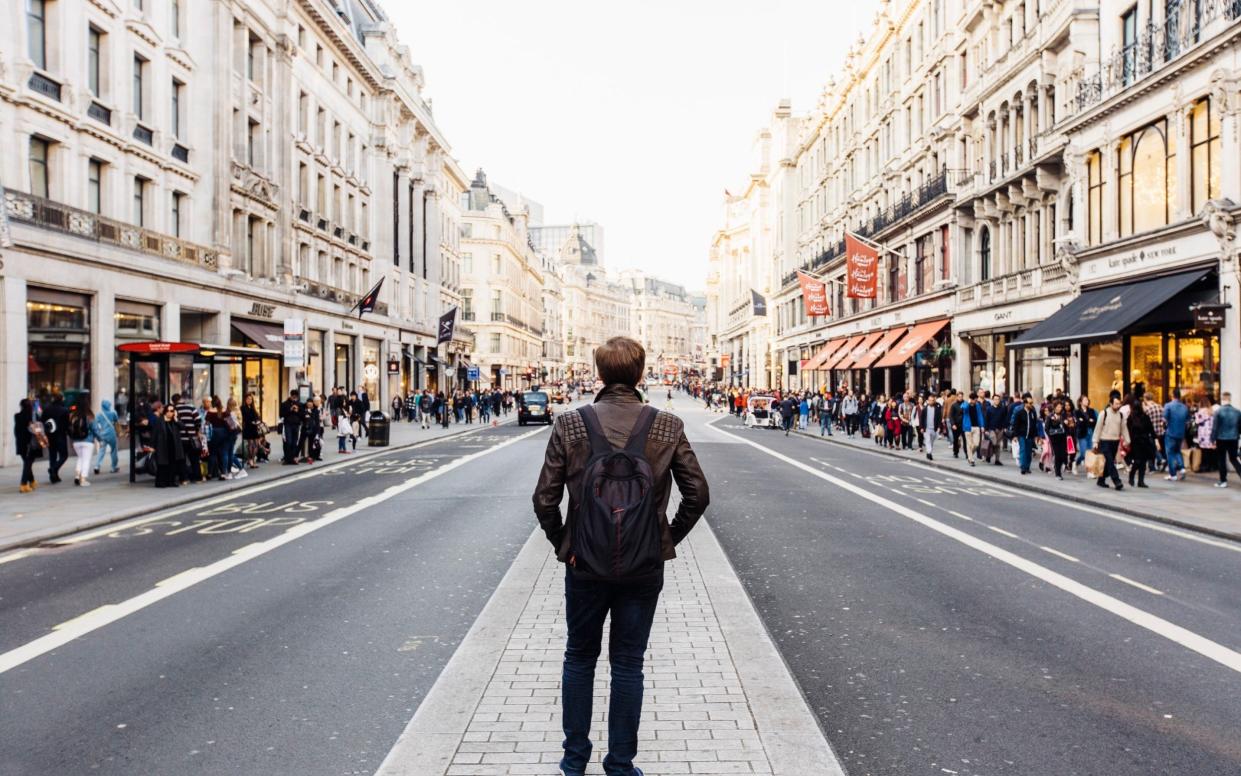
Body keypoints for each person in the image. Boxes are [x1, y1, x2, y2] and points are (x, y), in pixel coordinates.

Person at [532, 336, 709, 776]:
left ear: (599, 374)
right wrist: (664, 537)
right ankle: (620, 764)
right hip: (643, 566)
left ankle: (574, 761)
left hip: (585, 565)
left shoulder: (570, 425)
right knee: (628, 663)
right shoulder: (667, 426)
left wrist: (565, 544)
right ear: (640, 374)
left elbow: (543, 499)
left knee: (579, 657)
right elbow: (698, 494)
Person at [1093, 393, 1129, 490]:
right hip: (1104, 441)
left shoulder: (1121, 415)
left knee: (1108, 463)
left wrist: (1127, 440)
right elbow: (1098, 428)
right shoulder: (1103, 413)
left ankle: (1101, 480)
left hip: (1115, 442)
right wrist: (1095, 442)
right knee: (1110, 462)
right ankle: (1117, 481)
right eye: (1116, 404)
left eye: (1119, 404)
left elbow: (1124, 428)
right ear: (1110, 403)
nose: (1118, 406)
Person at [15, 399, 47, 493]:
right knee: (28, 464)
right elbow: (38, 429)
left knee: (27, 463)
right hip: (31, 444)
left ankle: (32, 481)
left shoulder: (17, 416)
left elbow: (16, 431)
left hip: (21, 443)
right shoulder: (33, 417)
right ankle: (23, 484)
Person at [152, 402, 186, 488]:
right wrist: (152, 446)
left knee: (173, 464)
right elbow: (154, 434)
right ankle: (161, 482)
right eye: (169, 411)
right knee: (162, 465)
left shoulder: (175, 421)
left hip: (173, 445)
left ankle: (171, 481)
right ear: (165, 411)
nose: (170, 412)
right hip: (162, 446)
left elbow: (183, 427)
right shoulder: (159, 420)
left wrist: (176, 419)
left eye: (172, 411)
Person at [1211, 392, 1240, 487]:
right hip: (1234, 438)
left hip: (1221, 438)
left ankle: (1223, 480)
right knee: (1234, 459)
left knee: (1221, 459)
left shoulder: (1218, 411)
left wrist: (1212, 440)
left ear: (1222, 399)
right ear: (1230, 399)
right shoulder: (1237, 412)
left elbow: (1215, 427)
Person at [1126, 394, 1155, 488]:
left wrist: (1155, 439)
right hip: (1136, 442)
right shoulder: (1131, 418)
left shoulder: (1145, 417)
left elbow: (1151, 429)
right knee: (1138, 461)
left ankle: (1140, 481)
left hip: (1144, 441)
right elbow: (1128, 430)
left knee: (1143, 461)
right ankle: (1132, 475)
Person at [1162, 389, 1190, 482]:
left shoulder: (1168, 406)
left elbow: (1164, 419)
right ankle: (1182, 468)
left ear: (1172, 395)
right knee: (1177, 451)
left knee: (1170, 453)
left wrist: (1164, 428)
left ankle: (1172, 474)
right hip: (1181, 432)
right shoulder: (1184, 407)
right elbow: (1187, 421)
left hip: (1171, 432)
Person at [42, 393, 70, 484]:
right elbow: (67, 424)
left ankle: (53, 476)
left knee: (52, 455)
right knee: (64, 455)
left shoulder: (47, 409)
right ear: (61, 399)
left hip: (50, 435)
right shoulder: (64, 410)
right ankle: (53, 469)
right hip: (60, 435)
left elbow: (42, 421)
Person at [67, 403, 97, 487]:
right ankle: (83, 479)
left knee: (80, 458)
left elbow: (70, 430)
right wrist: (100, 438)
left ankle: (77, 476)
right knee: (86, 460)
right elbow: (94, 429)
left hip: (76, 442)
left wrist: (72, 441)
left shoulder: (74, 417)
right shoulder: (89, 416)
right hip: (88, 441)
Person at [1010, 393, 1039, 474]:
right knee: (1023, 450)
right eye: (1029, 403)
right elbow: (1016, 425)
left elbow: (1034, 424)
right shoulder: (1019, 412)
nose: (1031, 405)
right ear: (1025, 403)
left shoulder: (1032, 412)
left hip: (1030, 435)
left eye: (1032, 403)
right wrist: (1015, 435)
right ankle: (1023, 467)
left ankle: (1027, 467)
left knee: (1029, 452)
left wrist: (1036, 435)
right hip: (1021, 435)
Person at [92, 399, 120, 475]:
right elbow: (117, 422)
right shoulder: (113, 413)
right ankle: (113, 467)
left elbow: (96, 424)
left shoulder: (99, 414)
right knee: (114, 450)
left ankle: (97, 466)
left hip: (102, 435)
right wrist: (118, 432)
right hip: (111, 434)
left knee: (101, 451)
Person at [1045, 401, 1071, 480]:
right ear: (1055, 407)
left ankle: (1062, 465)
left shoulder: (1063, 416)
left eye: (1060, 407)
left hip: (1062, 437)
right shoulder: (1050, 416)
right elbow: (1046, 428)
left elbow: (1067, 426)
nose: (1060, 408)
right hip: (1054, 439)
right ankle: (1058, 474)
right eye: (1058, 407)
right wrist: (1050, 436)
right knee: (1057, 455)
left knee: (1063, 454)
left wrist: (1067, 423)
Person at [1073, 396, 1097, 473]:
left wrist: (1084, 420)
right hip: (1082, 433)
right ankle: (1076, 463)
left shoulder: (1091, 411)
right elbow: (1079, 423)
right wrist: (1088, 420)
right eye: (1085, 400)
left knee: (1089, 453)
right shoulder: (1077, 412)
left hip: (1090, 433)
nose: (1087, 401)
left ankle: (1089, 471)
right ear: (1080, 402)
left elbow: (1094, 421)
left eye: (1087, 400)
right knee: (1083, 453)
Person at [279, 391, 302, 464]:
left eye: (296, 397)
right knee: (288, 442)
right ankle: (287, 458)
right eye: (293, 396)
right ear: (290, 396)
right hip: (288, 425)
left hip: (296, 425)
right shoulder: (284, 404)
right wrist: (290, 409)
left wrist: (297, 410)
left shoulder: (299, 404)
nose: (294, 398)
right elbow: (281, 414)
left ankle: (293, 458)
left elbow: (302, 415)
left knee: (295, 443)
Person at [241, 393, 263, 469]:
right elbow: (245, 418)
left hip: (254, 428)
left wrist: (257, 421)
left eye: (250, 399)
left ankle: (252, 459)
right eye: (248, 399)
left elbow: (256, 417)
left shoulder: (253, 407)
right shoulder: (243, 408)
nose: (249, 400)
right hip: (248, 427)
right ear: (245, 400)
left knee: (256, 444)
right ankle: (250, 460)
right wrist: (251, 422)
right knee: (250, 444)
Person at [922, 394, 943, 460]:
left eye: (932, 400)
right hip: (927, 428)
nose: (931, 401)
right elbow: (921, 419)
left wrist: (939, 427)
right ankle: (929, 452)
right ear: (928, 401)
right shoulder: (925, 409)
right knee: (927, 441)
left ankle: (928, 453)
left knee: (931, 442)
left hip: (934, 428)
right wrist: (922, 428)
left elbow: (939, 419)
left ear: (934, 401)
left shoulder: (937, 409)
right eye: (930, 400)